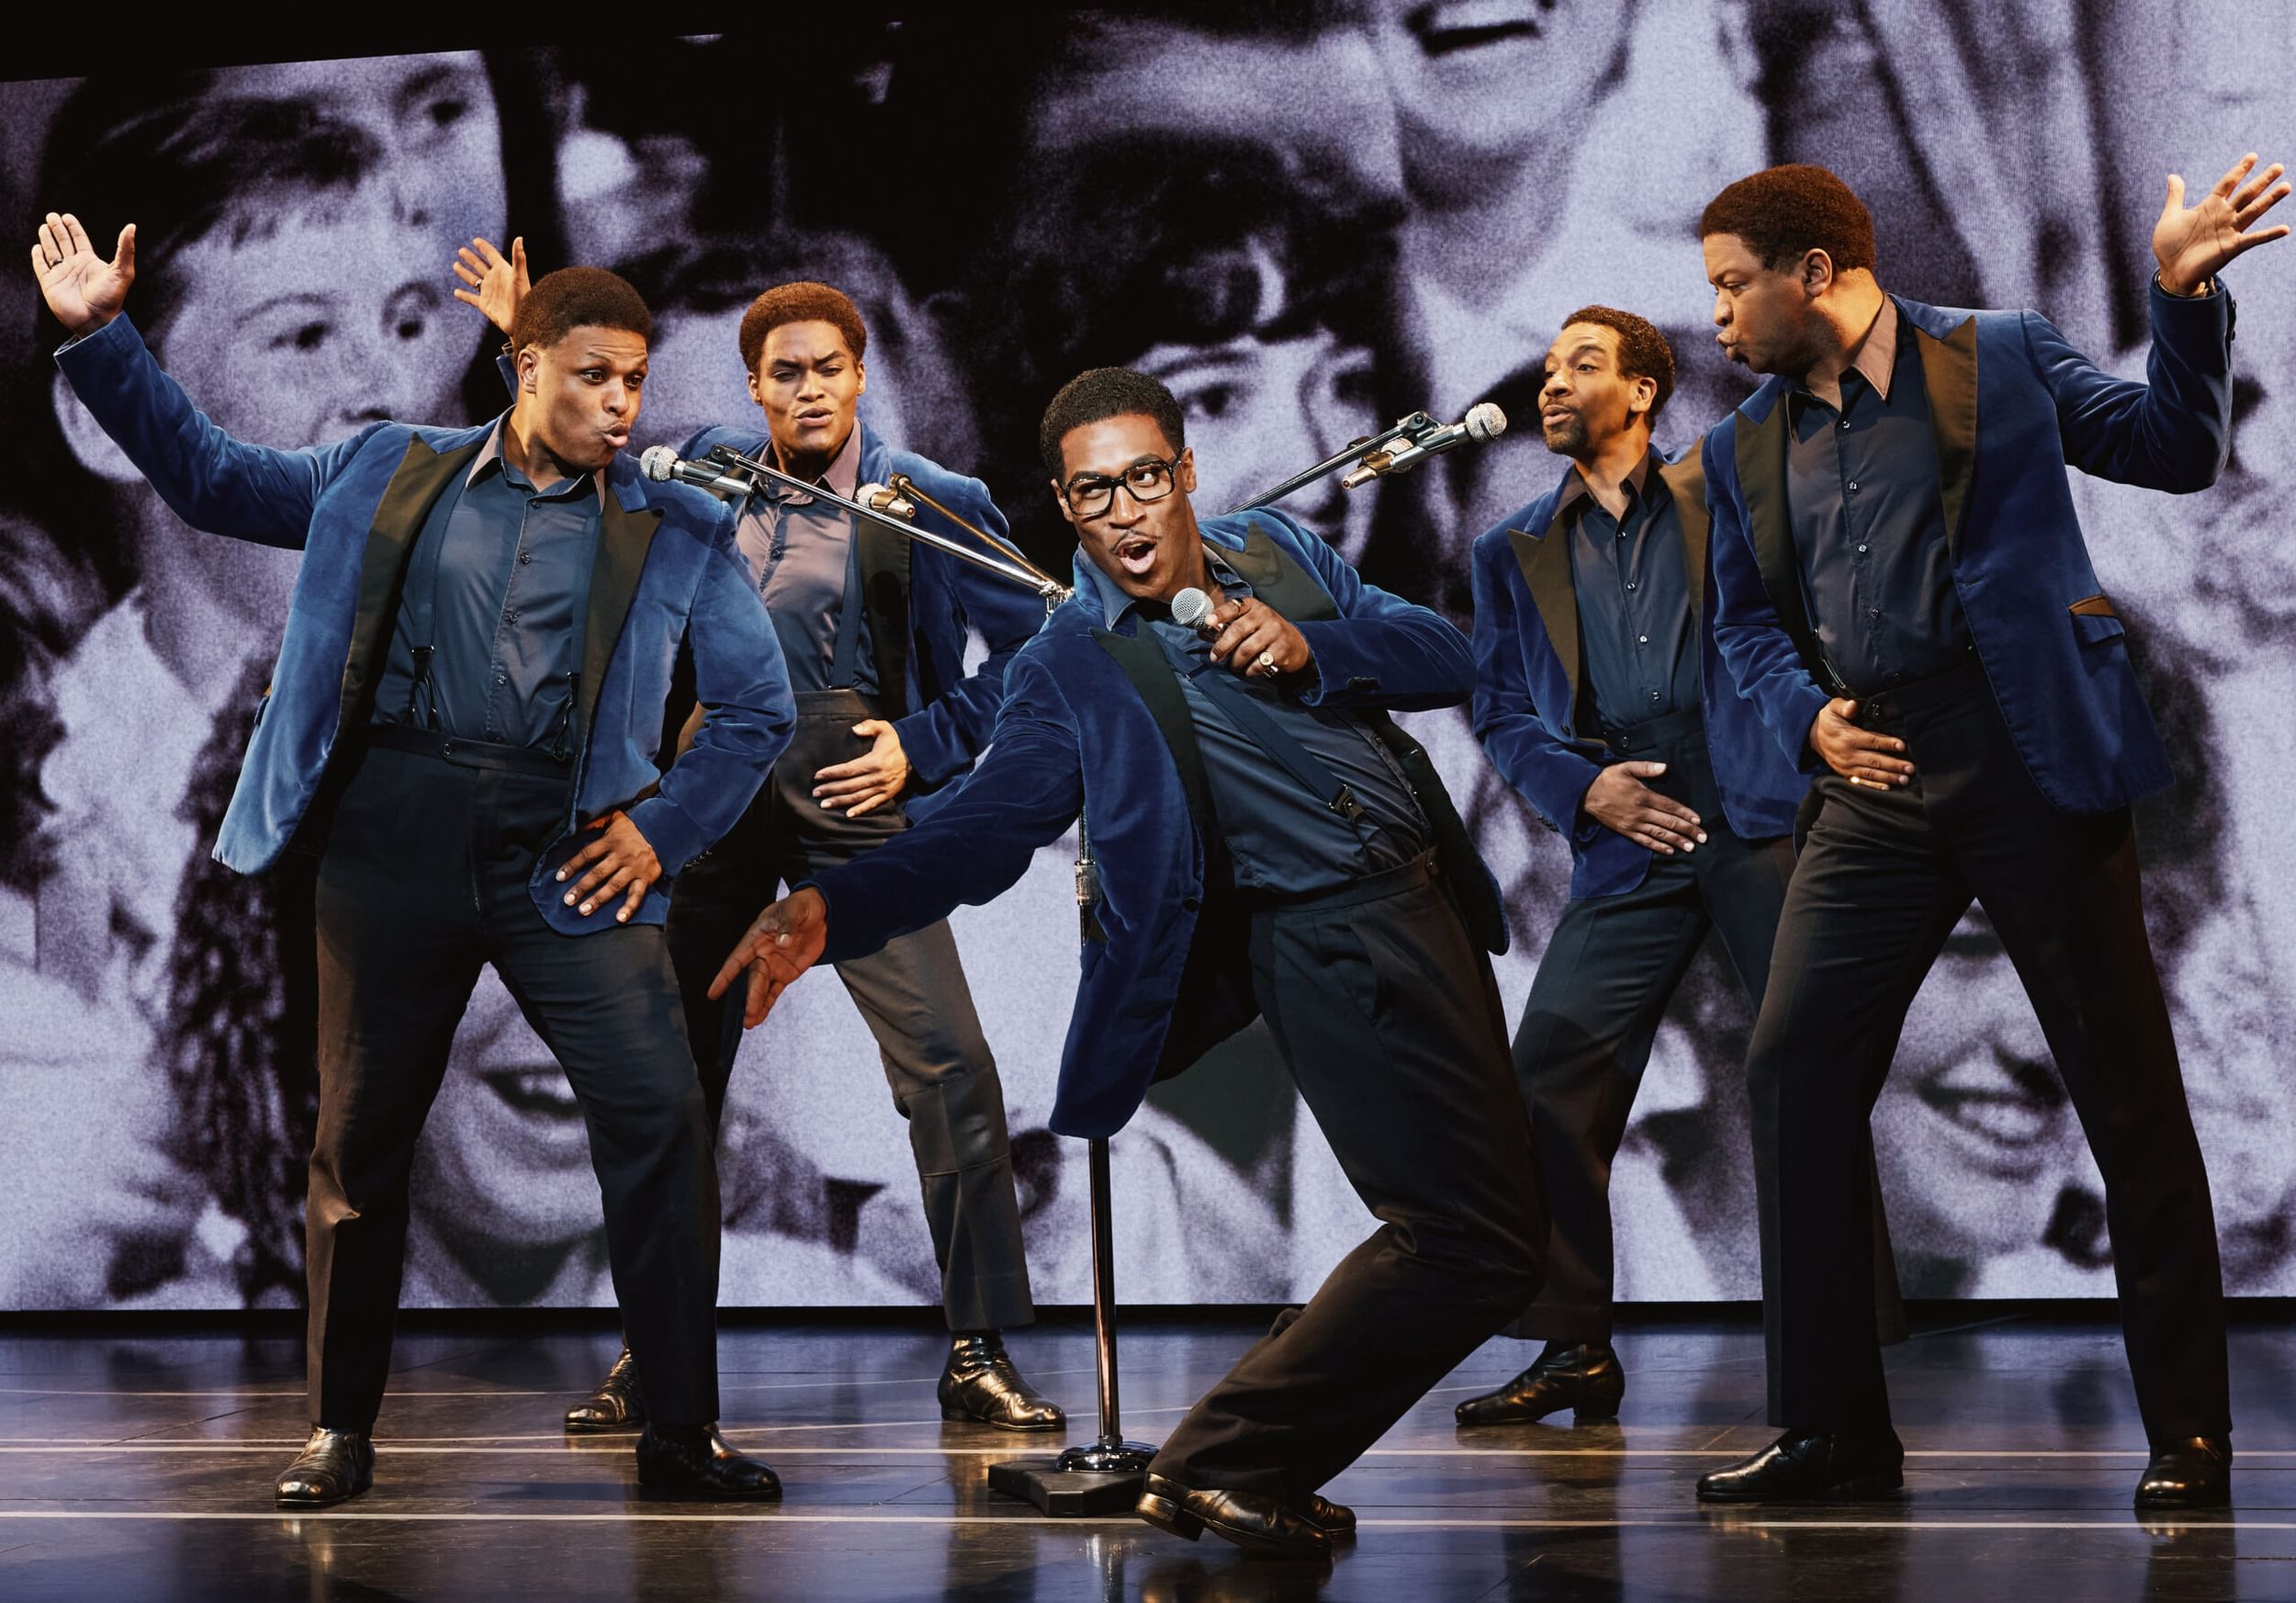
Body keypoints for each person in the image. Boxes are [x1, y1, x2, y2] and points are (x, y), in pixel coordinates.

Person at [709, 367, 1545, 1558]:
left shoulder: (1275, 551)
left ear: (1184, 474)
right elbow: (983, 831)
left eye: (1146, 479)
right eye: (1095, 493)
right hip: (1323, 943)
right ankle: (1226, 1461)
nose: (1128, 514)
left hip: (1424, 910)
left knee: (1490, 1235)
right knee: (1467, 1239)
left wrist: (1311, 647)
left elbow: (1443, 657)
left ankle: (1237, 1463)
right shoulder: (1069, 663)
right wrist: (827, 915)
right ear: (1063, 506)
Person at [31, 214, 795, 1505]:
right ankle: (339, 1428)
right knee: (361, 1142)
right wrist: (103, 337)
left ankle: (675, 1426)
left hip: (568, 864)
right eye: (590, 376)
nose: (617, 405)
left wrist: (657, 829)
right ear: (524, 369)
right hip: (395, 847)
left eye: (632, 382)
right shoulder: (389, 472)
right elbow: (212, 479)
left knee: (661, 1123)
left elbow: (757, 708)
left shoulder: (670, 528)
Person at [1690, 157, 2287, 1510]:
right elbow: (1739, 625)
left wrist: (2183, 296)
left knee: (2129, 1100)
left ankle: (2188, 1433)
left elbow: (2173, 452)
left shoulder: (2001, 358)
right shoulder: (1739, 451)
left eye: (1734, 287)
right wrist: (1807, 720)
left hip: (2038, 761)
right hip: (1876, 775)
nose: (1720, 319)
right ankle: (1833, 1429)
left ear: (1816, 276)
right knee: (1794, 1075)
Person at [455, 254, 1064, 1430]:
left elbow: (1040, 647)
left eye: (828, 370)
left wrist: (927, 743)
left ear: (864, 376)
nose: (807, 393)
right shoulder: (697, 490)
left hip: (858, 799)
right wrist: (519, 353)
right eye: (780, 375)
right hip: (709, 793)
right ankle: (654, 1348)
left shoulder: (926, 495)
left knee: (948, 1066)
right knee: (664, 1085)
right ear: (755, 387)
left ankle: (979, 1343)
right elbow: (563, 474)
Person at [1455, 305, 1901, 1429]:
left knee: (1807, 1078)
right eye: (1551, 369)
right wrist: (1579, 790)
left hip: (1760, 821)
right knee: (1550, 1073)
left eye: (1583, 368)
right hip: (1625, 834)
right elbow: (1501, 709)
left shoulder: (1750, 516)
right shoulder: (1505, 552)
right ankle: (1572, 1345)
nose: (1560, 386)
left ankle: (1838, 1383)